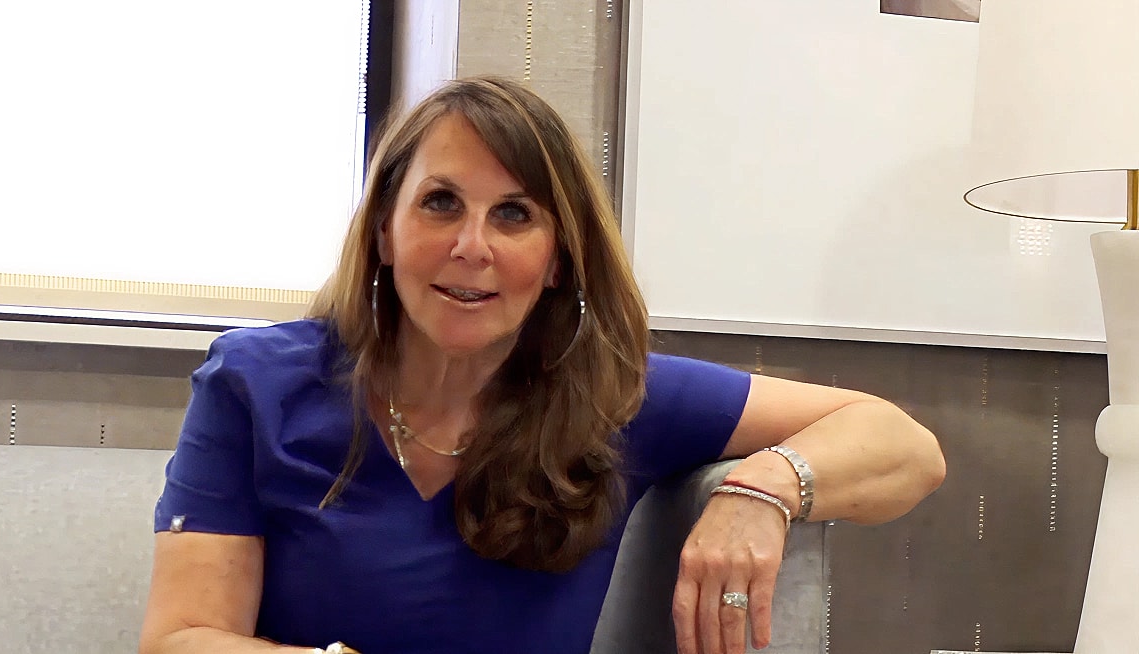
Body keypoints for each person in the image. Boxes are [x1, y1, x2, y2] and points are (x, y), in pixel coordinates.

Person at [138, 76, 945, 654]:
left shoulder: (616, 395)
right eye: (441, 202)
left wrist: (761, 488)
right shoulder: (258, 382)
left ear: (558, 258)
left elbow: (906, 445)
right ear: (384, 231)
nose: (472, 247)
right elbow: (180, 637)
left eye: (515, 214)